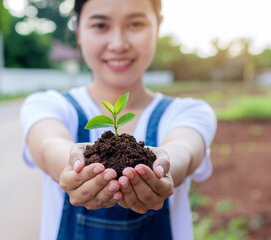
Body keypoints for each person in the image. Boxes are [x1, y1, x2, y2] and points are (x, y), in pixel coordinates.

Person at [20, 0, 217, 239]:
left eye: (135, 24)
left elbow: (183, 150)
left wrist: (162, 167)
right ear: (79, 31)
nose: (118, 44)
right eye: (101, 25)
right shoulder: (49, 106)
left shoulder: (188, 112)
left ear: (158, 27)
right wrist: (74, 166)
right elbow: (48, 145)